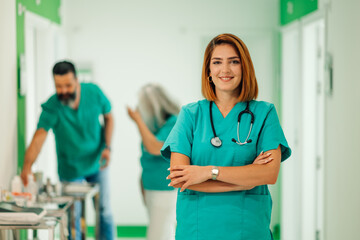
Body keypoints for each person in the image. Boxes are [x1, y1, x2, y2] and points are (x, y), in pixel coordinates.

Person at [161, 33, 291, 240]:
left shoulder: (265, 113)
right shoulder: (190, 114)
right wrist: (245, 181)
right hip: (197, 228)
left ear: (244, 68)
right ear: (208, 71)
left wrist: (208, 172)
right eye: (217, 62)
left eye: (234, 62)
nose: (225, 69)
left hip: (247, 228)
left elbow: (268, 174)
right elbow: (179, 178)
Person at [20, 61, 115, 240]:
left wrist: (107, 147)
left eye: (68, 85)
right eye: (59, 86)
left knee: (104, 211)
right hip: (70, 168)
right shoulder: (52, 106)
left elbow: (109, 117)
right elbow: (39, 138)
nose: (63, 91)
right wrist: (27, 167)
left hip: (97, 162)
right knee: (73, 217)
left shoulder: (93, 92)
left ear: (77, 80)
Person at [127, 84, 180, 240]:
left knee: (158, 234)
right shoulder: (156, 126)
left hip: (163, 190)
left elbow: (154, 147)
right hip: (152, 188)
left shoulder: (173, 123)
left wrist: (137, 120)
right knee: (162, 231)